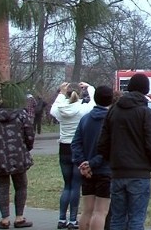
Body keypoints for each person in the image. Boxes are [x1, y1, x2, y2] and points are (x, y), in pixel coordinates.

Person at [97, 73, 151, 230]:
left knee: (117, 219)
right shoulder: (146, 113)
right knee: (136, 220)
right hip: (139, 174)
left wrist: (112, 160)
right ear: (146, 90)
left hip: (118, 172)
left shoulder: (113, 111)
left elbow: (103, 143)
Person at [0, 89, 35, 229]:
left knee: (2, 187)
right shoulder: (20, 114)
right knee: (21, 186)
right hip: (18, 155)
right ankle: (19, 217)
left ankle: (4, 219)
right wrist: (26, 148)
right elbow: (29, 134)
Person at [50, 82, 95, 229]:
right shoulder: (83, 110)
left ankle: (61, 219)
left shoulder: (60, 110)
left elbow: (53, 109)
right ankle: (73, 220)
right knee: (76, 185)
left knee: (67, 185)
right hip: (78, 148)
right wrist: (90, 88)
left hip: (63, 148)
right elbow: (95, 102)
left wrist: (61, 94)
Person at [71, 86, 114, 230]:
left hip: (86, 172)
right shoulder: (112, 121)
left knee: (87, 210)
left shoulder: (85, 119)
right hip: (105, 170)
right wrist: (92, 164)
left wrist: (82, 164)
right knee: (100, 212)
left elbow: (75, 143)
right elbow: (109, 148)